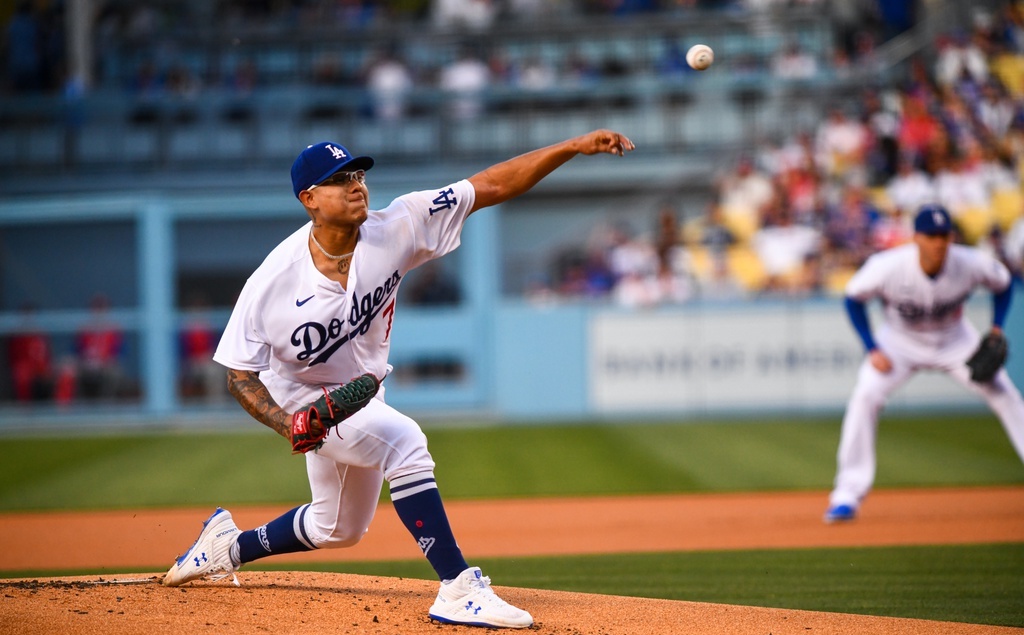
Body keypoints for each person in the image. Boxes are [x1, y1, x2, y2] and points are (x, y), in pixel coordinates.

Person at [161, 129, 636, 629]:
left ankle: (226, 547)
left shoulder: (399, 224)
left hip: (362, 392)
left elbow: (489, 186)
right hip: (303, 397)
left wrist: (570, 147)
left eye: (358, 174)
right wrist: (289, 423)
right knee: (405, 442)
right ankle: (457, 588)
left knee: (337, 527)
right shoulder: (272, 282)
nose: (356, 185)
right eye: (338, 180)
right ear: (309, 200)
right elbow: (238, 374)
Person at [824, 204, 1024, 523]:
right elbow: (852, 298)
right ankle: (847, 493)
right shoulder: (887, 266)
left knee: (1004, 393)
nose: (939, 243)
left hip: (955, 341)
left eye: (944, 235)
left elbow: (1003, 284)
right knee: (866, 396)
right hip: (899, 344)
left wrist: (997, 326)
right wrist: (871, 346)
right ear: (916, 237)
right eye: (931, 236)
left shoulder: (971, 263)